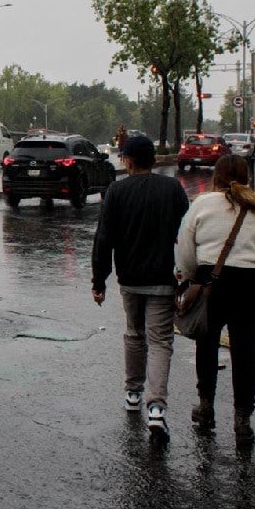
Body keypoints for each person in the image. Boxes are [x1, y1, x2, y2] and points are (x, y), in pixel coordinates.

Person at [176, 155, 255, 444]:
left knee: (206, 345)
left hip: (211, 283)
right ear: (247, 176)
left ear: (217, 176)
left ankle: (206, 405)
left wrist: (189, 278)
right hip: (249, 285)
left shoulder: (201, 204)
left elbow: (186, 249)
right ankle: (242, 420)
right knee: (245, 354)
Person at [91, 135, 190, 440]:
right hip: (163, 277)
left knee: (134, 334)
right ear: (154, 160)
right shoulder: (172, 188)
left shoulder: (117, 191)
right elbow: (185, 233)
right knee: (161, 341)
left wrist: (99, 281)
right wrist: (185, 276)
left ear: (129, 160)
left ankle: (133, 392)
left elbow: (104, 239)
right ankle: (157, 408)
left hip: (130, 278)